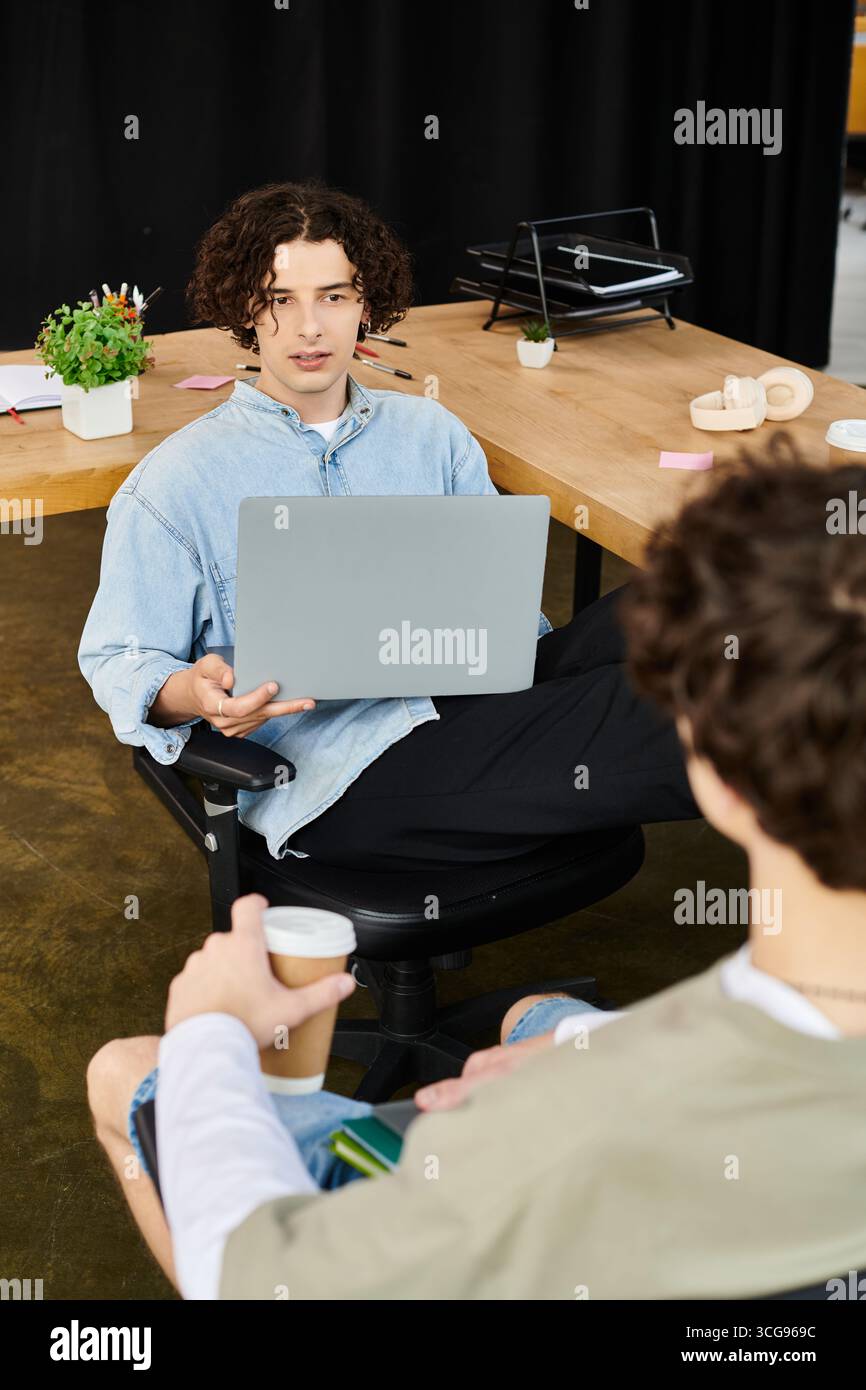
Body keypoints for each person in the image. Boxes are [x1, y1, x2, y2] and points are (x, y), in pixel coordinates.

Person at [88, 445, 866, 1299]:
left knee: (123, 1071)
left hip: (562, 1164)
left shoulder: (527, 1164)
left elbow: (258, 1278)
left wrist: (209, 1036)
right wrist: (581, 1041)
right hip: (359, 775)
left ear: (713, 763)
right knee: (534, 1016)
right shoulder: (175, 485)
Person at [78, 180, 695, 871]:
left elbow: (507, 620)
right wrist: (194, 692)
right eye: (281, 300)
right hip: (339, 769)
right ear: (245, 310)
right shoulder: (177, 480)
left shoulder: (432, 433)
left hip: (471, 699)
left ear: (365, 304)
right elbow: (119, 658)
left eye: (333, 297)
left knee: (692, 600)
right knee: (638, 708)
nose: (310, 328)